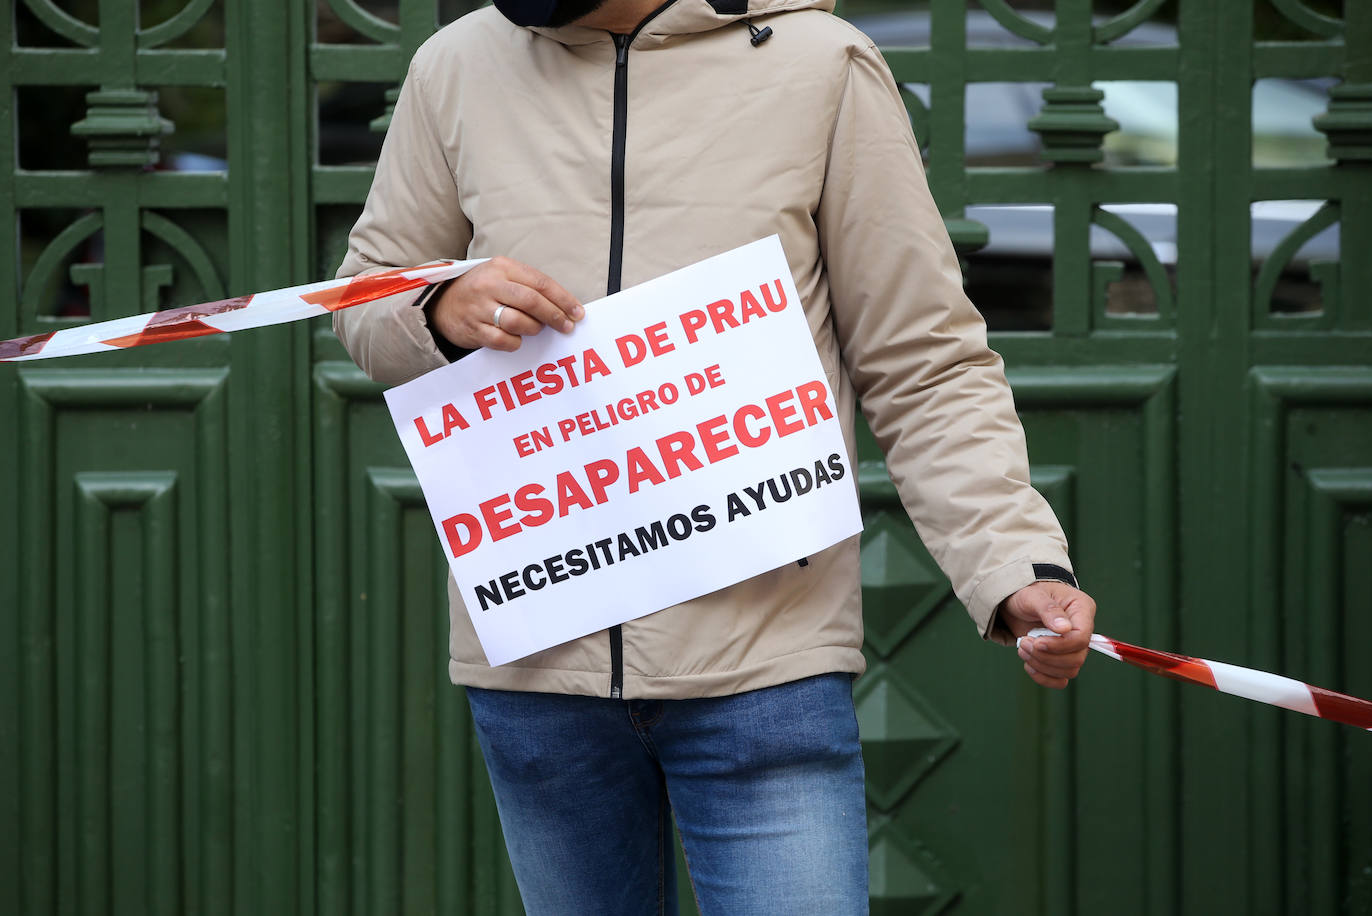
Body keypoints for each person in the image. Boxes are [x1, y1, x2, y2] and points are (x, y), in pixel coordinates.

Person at [334, 0, 1098, 911]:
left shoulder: (823, 64)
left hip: (763, 669)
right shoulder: (455, 64)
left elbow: (923, 360)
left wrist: (1013, 562)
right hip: (539, 665)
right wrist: (438, 310)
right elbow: (363, 297)